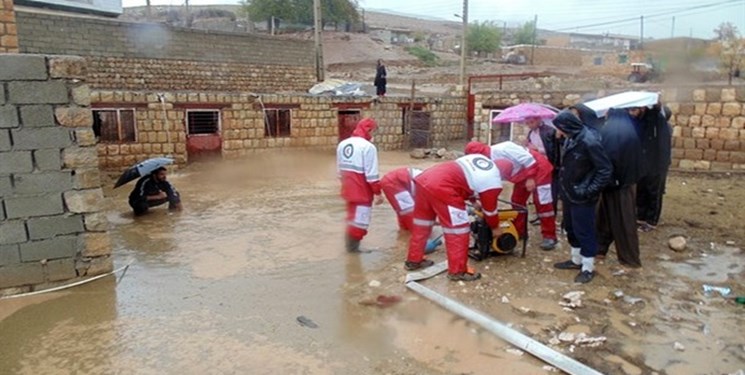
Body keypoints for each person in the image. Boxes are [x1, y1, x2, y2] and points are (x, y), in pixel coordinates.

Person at [404, 154, 503, 282]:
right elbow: (490, 210)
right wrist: (495, 227)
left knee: (422, 225)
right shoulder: (493, 180)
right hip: (443, 187)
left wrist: (473, 202)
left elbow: (464, 179)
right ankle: (457, 271)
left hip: (424, 180)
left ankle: (413, 260)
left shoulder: (479, 161)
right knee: (458, 231)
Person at [552, 111, 612, 284]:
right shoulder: (571, 138)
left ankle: (588, 267)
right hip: (570, 191)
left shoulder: (589, 141)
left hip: (582, 194)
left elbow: (605, 169)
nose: (558, 132)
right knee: (571, 227)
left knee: (584, 229)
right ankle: (576, 259)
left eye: (559, 129)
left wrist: (589, 190)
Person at [464, 141, 558, 250]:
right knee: (517, 201)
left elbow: (529, 160)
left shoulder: (505, 148)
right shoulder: (486, 161)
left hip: (539, 169)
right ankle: (519, 231)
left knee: (543, 204)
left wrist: (531, 178)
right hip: (521, 175)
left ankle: (550, 236)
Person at [595, 107, 644, 268]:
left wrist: (610, 180)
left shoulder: (612, 130)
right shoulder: (627, 127)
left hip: (618, 183)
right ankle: (599, 249)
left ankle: (629, 258)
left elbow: (610, 157)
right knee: (604, 218)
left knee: (623, 220)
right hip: (622, 181)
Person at [337, 118, 384, 253]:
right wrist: (378, 193)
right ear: (368, 130)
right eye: (373, 131)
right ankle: (353, 251)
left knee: (351, 218)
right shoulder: (368, 147)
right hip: (362, 192)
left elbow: (339, 171)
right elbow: (372, 175)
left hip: (347, 190)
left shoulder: (343, 144)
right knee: (361, 222)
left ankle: (349, 248)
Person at [636, 105, 673, 232]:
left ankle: (651, 221)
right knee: (642, 190)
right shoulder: (648, 126)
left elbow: (662, 149)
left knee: (654, 193)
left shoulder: (662, 128)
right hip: (646, 164)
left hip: (657, 166)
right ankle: (640, 217)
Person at [524, 116, 562, 216]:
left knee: (549, 192)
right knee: (537, 191)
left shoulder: (549, 132)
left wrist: (537, 150)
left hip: (549, 166)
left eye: (531, 122)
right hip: (537, 165)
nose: (529, 125)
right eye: (527, 123)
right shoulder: (531, 133)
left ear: (538, 120)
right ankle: (540, 214)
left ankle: (550, 215)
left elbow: (554, 151)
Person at [380, 167, 422, 231]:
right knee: (407, 209)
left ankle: (404, 231)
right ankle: (416, 232)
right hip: (395, 181)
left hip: (396, 179)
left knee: (402, 209)